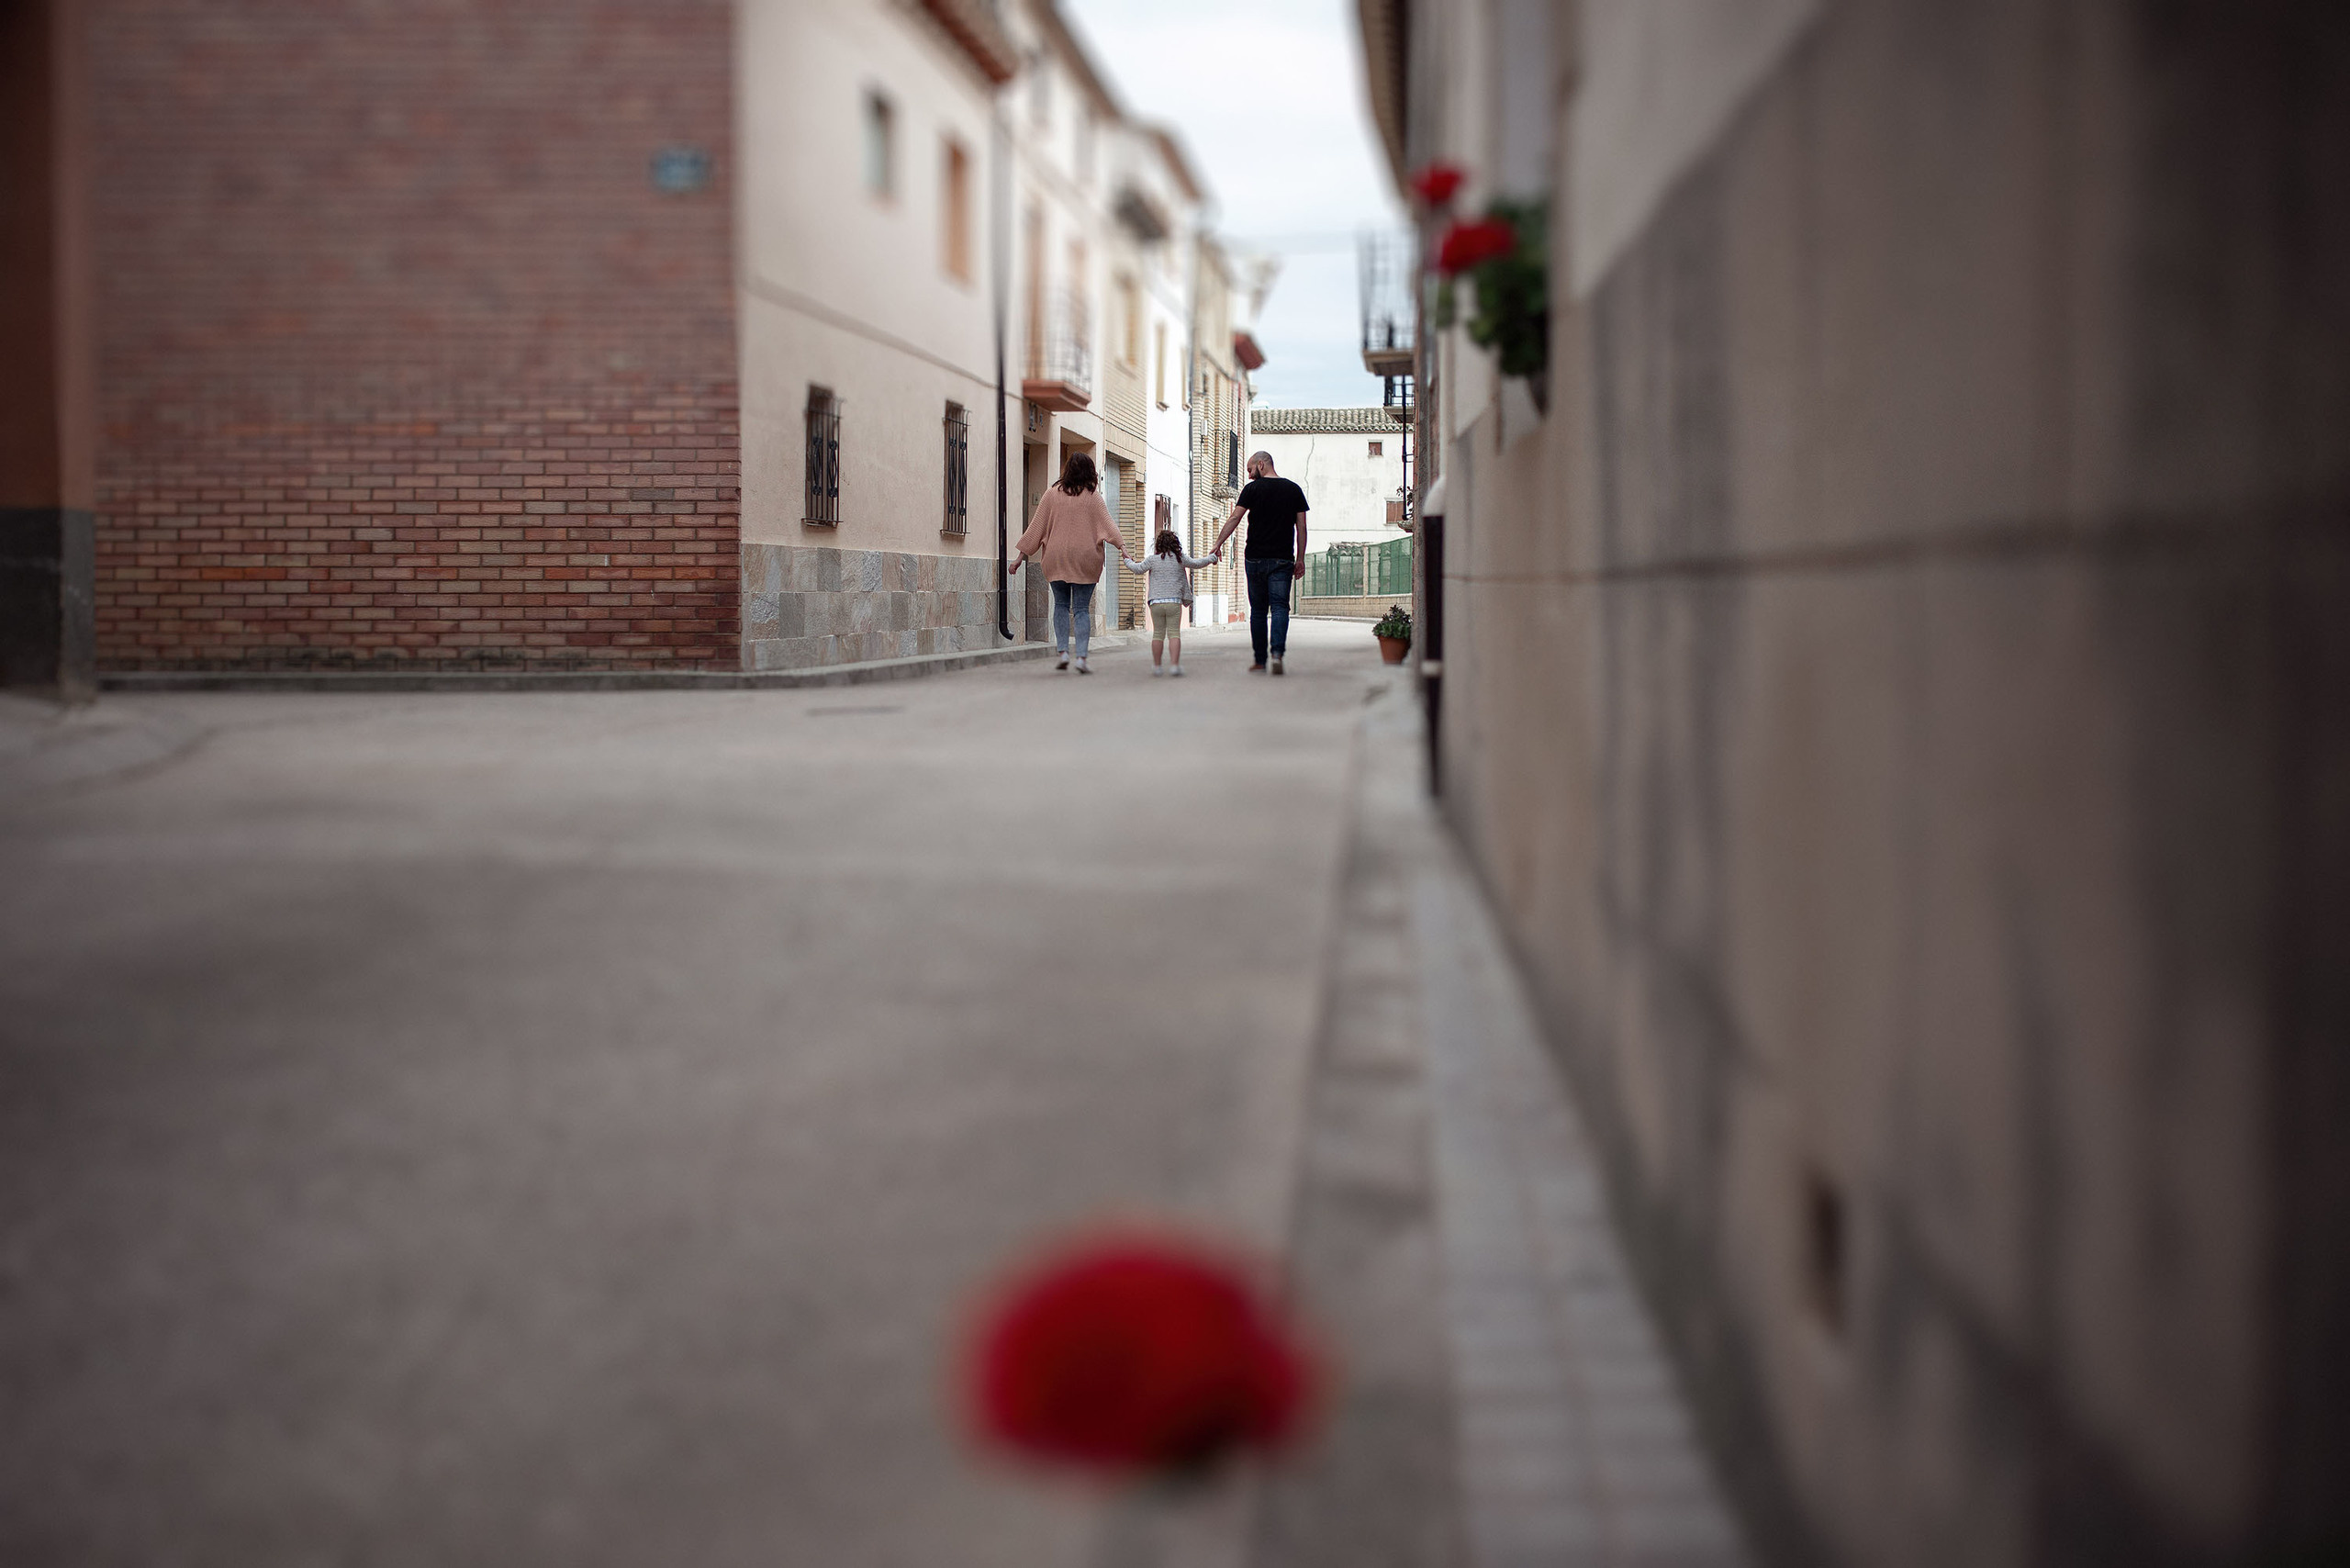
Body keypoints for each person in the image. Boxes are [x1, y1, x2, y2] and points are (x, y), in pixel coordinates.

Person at [1009, 452, 1123, 673]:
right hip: (1085, 558)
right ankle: (1081, 657)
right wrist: (1123, 548)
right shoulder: (1093, 497)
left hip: (1056, 556)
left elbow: (1035, 528)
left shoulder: (1051, 494)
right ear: (1090, 471)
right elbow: (1109, 526)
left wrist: (1019, 558)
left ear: (1068, 470)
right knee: (1081, 609)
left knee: (1061, 604)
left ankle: (1062, 651)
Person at [1210, 452, 1308, 675]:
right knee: (1281, 606)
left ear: (1261, 465)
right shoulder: (1294, 490)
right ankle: (1277, 654)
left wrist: (1218, 543)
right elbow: (1301, 527)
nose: (1249, 475)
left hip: (1254, 558)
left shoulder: (1252, 490)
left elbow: (1235, 518)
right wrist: (1300, 558)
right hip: (1283, 559)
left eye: (1250, 470)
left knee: (1258, 610)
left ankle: (1260, 660)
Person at [1121, 528, 1218, 677]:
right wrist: (1212, 558)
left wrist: (1127, 559)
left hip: (1156, 603)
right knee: (1174, 633)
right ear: (1175, 544)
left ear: (1158, 545)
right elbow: (1197, 563)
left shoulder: (1152, 560)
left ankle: (1157, 666)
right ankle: (1174, 666)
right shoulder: (1180, 558)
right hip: (1174, 602)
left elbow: (1137, 569)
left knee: (1158, 634)